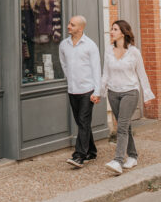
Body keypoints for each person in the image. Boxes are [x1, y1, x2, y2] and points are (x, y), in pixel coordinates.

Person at [101, 20, 155, 175]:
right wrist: (100, 92)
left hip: (130, 92)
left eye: (115, 29)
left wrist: (147, 94)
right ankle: (132, 156)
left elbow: (142, 74)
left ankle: (118, 161)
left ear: (123, 33)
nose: (111, 31)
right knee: (126, 126)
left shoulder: (134, 52)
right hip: (113, 93)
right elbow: (105, 73)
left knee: (122, 127)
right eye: (111, 29)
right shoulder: (109, 51)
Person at [59, 15, 101, 168]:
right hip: (72, 90)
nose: (68, 26)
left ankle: (79, 156)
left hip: (87, 90)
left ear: (80, 28)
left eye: (72, 24)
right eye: (69, 23)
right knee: (82, 123)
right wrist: (70, 80)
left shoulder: (90, 46)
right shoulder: (64, 45)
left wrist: (97, 91)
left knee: (83, 122)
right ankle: (92, 151)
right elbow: (64, 65)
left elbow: (97, 70)